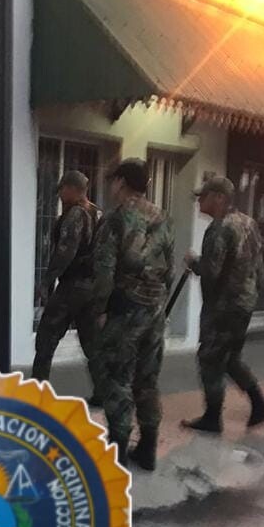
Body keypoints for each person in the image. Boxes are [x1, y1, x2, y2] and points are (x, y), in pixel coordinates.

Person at [90, 159, 174, 471]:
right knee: (147, 379)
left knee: (117, 378)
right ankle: (148, 448)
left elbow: (104, 269)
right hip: (155, 308)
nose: (111, 187)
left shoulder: (115, 218)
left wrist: (100, 308)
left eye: (113, 181)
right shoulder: (162, 217)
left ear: (122, 182)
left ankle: (118, 453)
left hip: (124, 309)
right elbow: (169, 267)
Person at [182, 175, 264, 434]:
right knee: (230, 359)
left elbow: (211, 271)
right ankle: (259, 403)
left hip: (223, 307)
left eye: (204, 196)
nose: (199, 201)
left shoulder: (219, 228)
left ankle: (213, 417)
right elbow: (259, 266)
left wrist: (193, 262)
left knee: (210, 358)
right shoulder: (248, 223)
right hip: (244, 303)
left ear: (219, 198)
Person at [32, 170, 101, 396]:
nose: (60, 195)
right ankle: (102, 392)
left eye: (62, 189)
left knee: (46, 337)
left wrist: (46, 282)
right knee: (92, 343)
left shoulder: (75, 215)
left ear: (72, 189)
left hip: (73, 286)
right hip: (92, 287)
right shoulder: (97, 213)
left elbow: (65, 252)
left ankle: (37, 391)